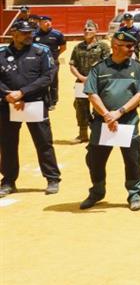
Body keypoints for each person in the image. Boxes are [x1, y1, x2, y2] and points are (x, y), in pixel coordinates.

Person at [79, 29, 140, 211]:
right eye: (128, 46)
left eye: (133, 46)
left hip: (128, 123)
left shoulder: (137, 68)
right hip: (102, 124)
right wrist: (107, 115)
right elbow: (91, 93)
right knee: (95, 160)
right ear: (115, 46)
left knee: (133, 160)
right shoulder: (99, 68)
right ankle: (97, 192)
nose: (132, 49)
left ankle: (135, 194)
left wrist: (119, 112)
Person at [0, 19, 62, 196]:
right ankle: (8, 181)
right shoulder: (1, 53)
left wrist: (22, 93)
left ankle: (52, 178)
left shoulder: (41, 51)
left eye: (31, 33)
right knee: (8, 144)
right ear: (14, 33)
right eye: (25, 33)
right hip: (8, 105)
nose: (30, 36)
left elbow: (47, 77)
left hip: (34, 103)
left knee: (43, 142)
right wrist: (8, 95)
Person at [68, 21, 111, 143]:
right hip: (81, 82)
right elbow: (72, 65)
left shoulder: (103, 46)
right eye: (85, 29)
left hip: (98, 82)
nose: (87, 31)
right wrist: (81, 77)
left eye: (90, 29)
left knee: (98, 108)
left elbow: (106, 64)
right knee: (80, 107)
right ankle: (83, 135)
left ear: (96, 31)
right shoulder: (78, 47)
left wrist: (91, 78)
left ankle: (97, 133)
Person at [32, 15, 66, 112]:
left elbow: (63, 47)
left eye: (49, 21)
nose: (47, 23)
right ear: (40, 23)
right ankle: (43, 100)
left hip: (52, 61)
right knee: (40, 80)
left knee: (53, 81)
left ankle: (53, 102)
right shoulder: (35, 34)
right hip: (38, 62)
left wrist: (55, 56)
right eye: (45, 22)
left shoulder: (57, 34)